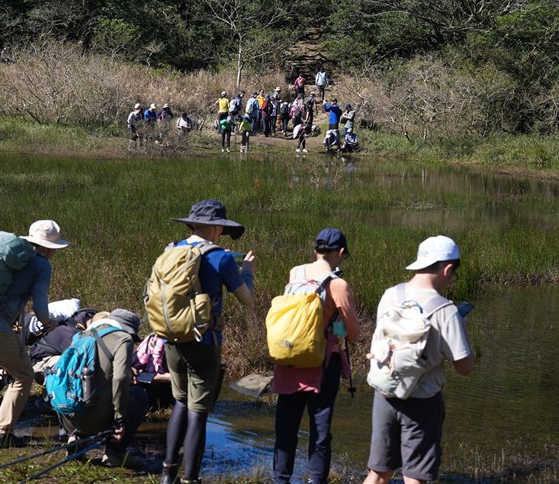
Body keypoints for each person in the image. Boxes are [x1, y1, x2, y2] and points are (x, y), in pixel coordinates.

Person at [363, 236, 474, 484]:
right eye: (453, 274)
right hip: (422, 403)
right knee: (416, 476)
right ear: (447, 269)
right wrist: (462, 329)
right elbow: (465, 367)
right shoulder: (446, 310)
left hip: (384, 394)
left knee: (380, 472)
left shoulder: (390, 295)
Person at [159, 199, 256, 484]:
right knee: (198, 411)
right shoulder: (222, 258)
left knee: (179, 401)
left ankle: (167, 473)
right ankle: (190, 479)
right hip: (204, 340)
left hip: (171, 338)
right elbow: (247, 299)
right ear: (215, 227)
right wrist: (247, 270)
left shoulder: (171, 250)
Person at [0, 220, 69, 448]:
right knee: (24, 376)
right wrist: (50, 323)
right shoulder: (41, 264)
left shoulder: (12, 257)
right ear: (50, 248)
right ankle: (0, 433)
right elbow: (40, 308)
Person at [273, 228, 360, 484]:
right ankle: (316, 480)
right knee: (320, 429)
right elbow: (353, 333)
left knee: (285, 426)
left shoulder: (295, 273)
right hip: (322, 363)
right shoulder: (337, 284)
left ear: (315, 250)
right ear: (341, 253)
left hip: (288, 358)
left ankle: (281, 479)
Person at [61, 309, 149, 469]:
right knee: (139, 395)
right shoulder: (123, 339)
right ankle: (114, 454)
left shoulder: (80, 336)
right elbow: (120, 378)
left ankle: (75, 440)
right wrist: (120, 419)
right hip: (98, 420)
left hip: (71, 417)